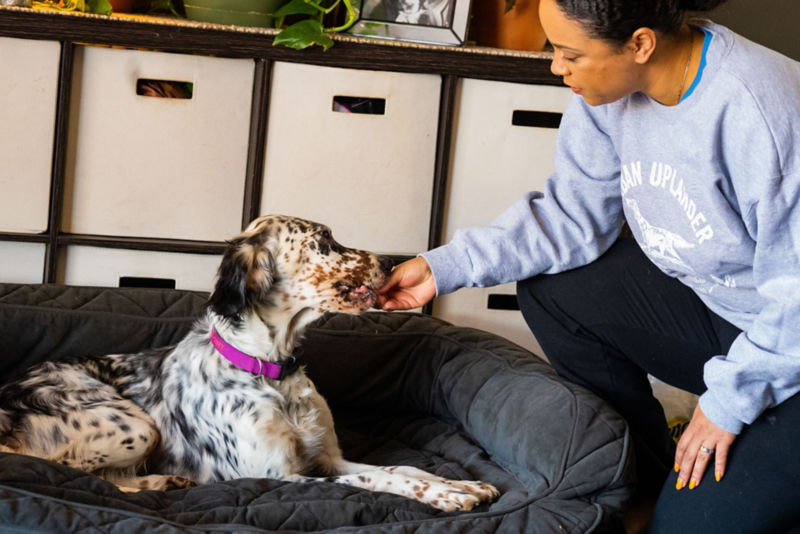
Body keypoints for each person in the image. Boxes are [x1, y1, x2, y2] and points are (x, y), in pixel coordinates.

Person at [377, 0, 800, 531]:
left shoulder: (764, 109)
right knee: (556, 286)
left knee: (692, 525)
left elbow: (798, 298)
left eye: (569, 52)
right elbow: (570, 218)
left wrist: (724, 406)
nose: (556, 65)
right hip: (733, 319)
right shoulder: (609, 92)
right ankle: (644, 477)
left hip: (791, 341)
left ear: (641, 43)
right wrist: (441, 268)